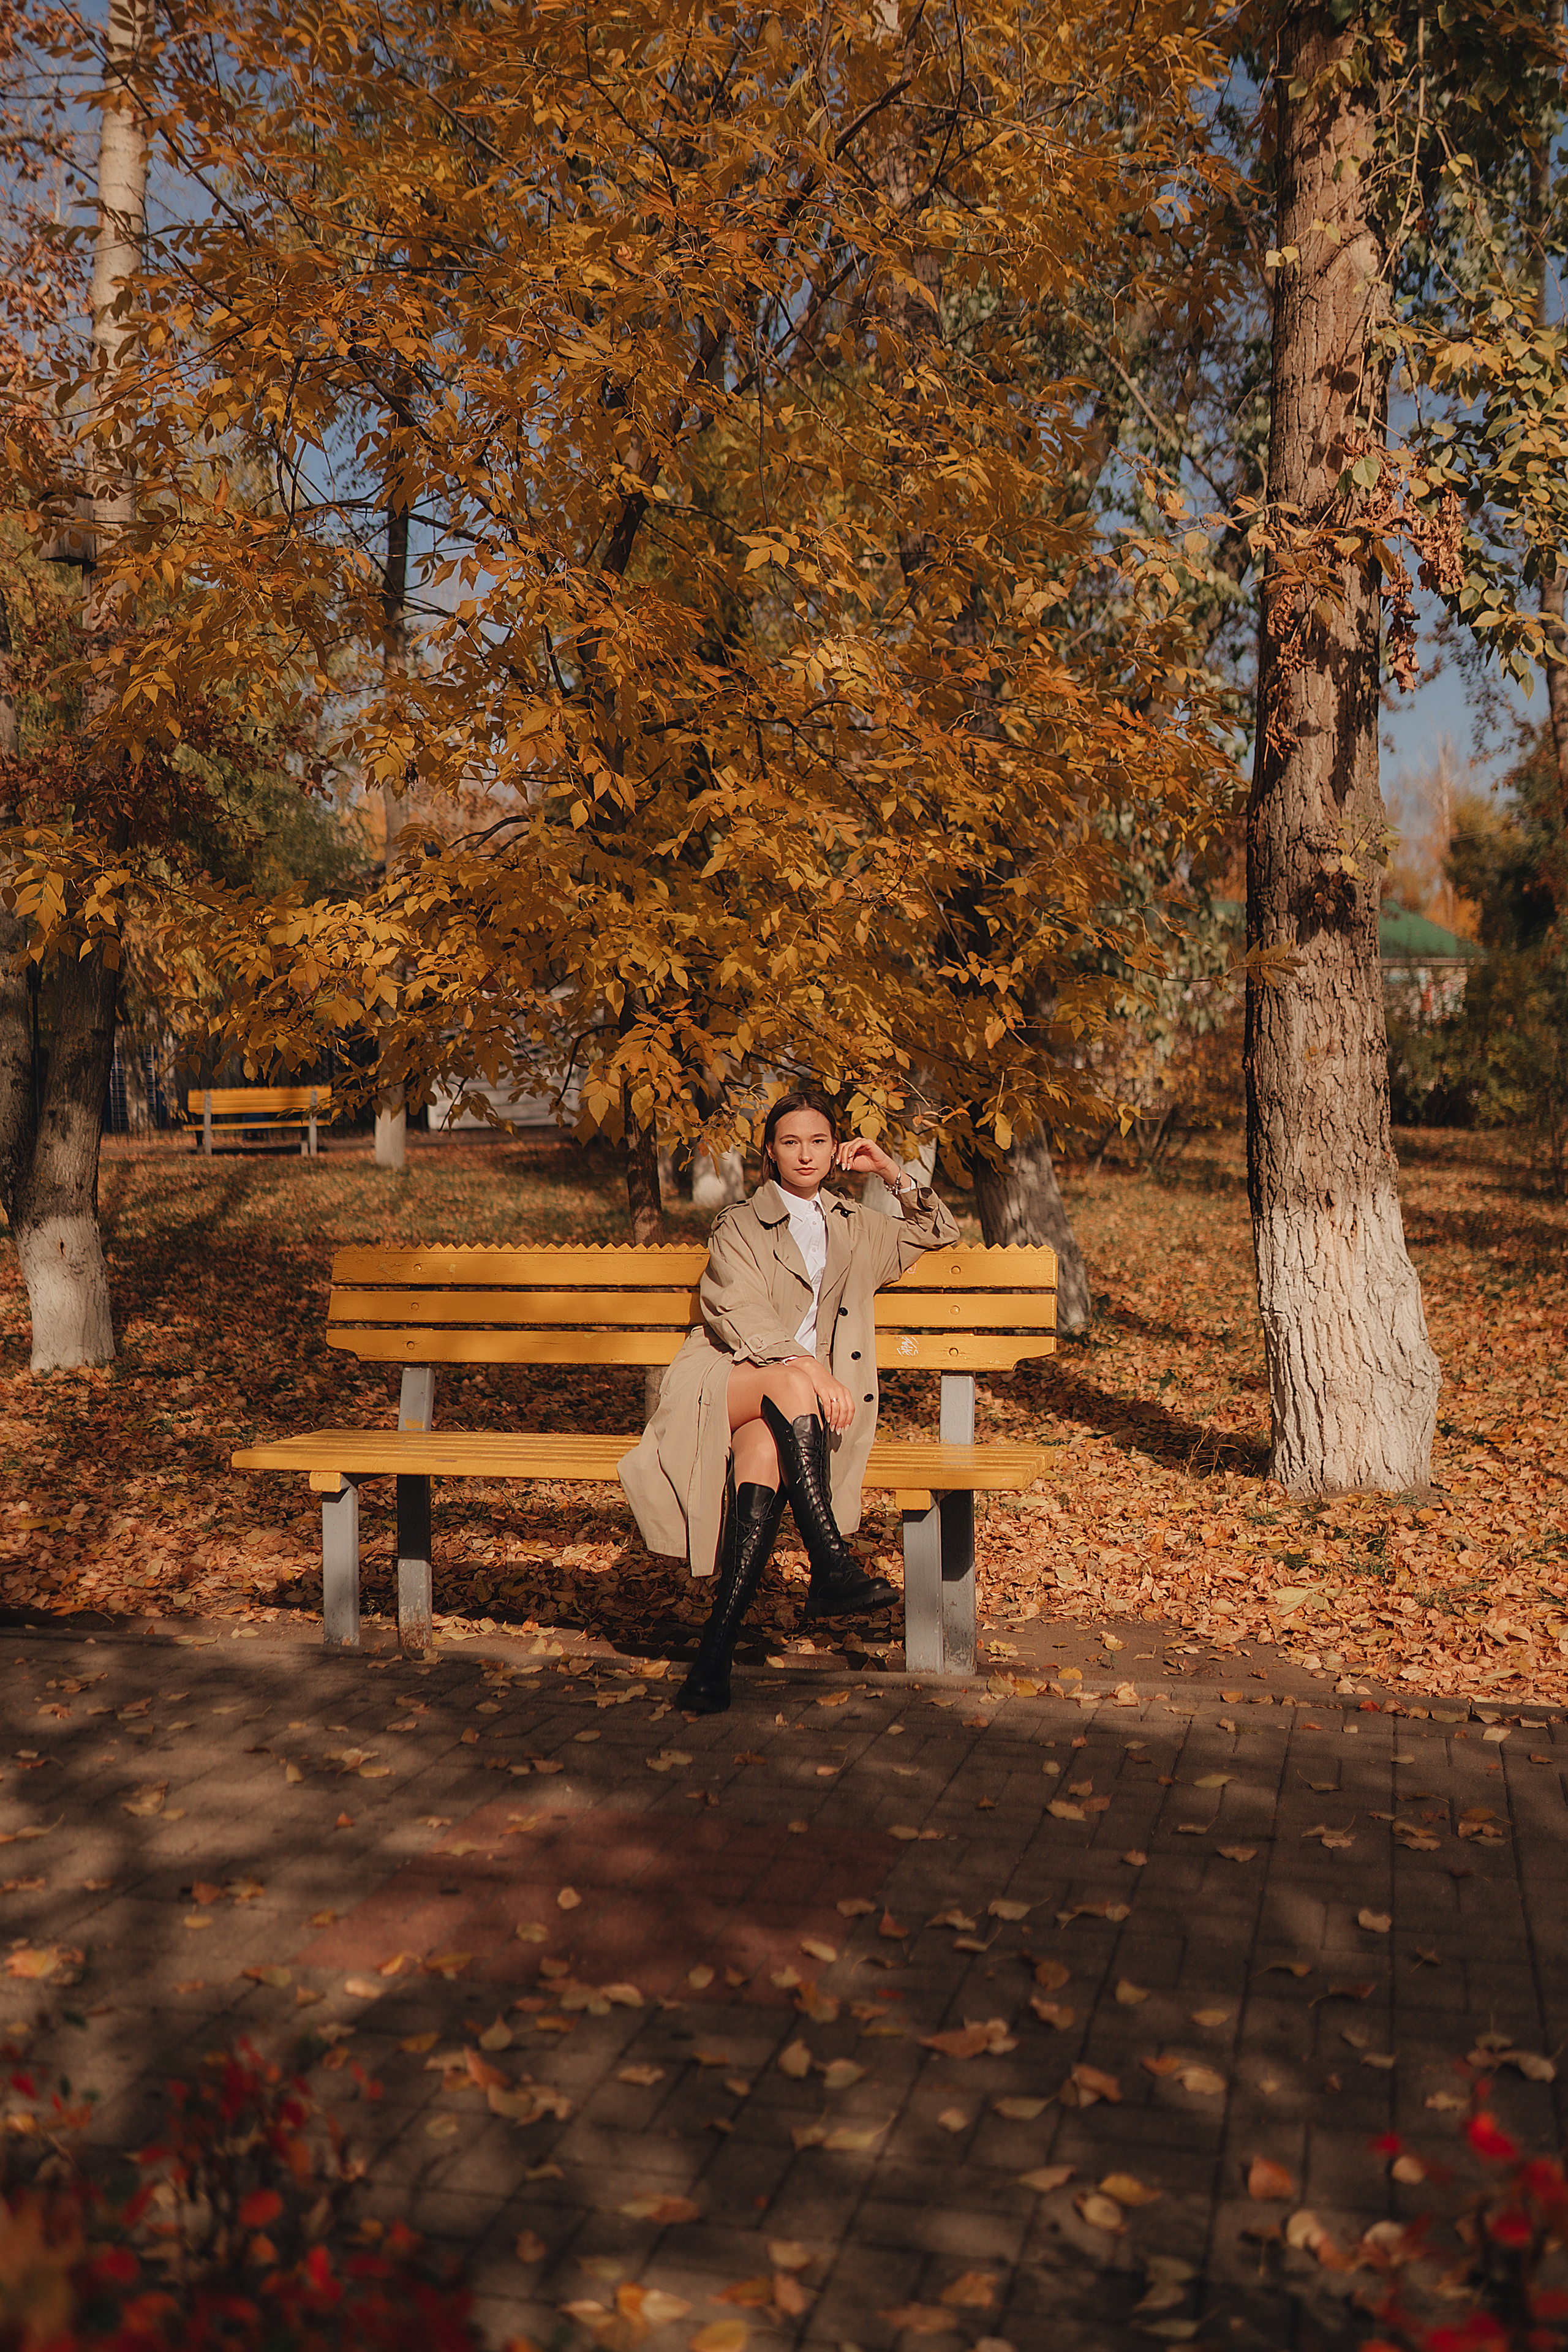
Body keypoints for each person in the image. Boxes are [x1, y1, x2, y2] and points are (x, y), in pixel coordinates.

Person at [619, 1085, 960, 1714]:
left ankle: (711, 1661)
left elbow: (937, 1231)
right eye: (790, 1143)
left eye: (818, 1141)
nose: (804, 1154)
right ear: (770, 1154)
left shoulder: (857, 1227)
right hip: (725, 1380)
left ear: (836, 1151)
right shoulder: (739, 1222)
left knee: (761, 1467)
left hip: (791, 1408)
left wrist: (889, 1171)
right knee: (790, 1382)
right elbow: (733, 1307)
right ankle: (830, 1565)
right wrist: (808, 1367)